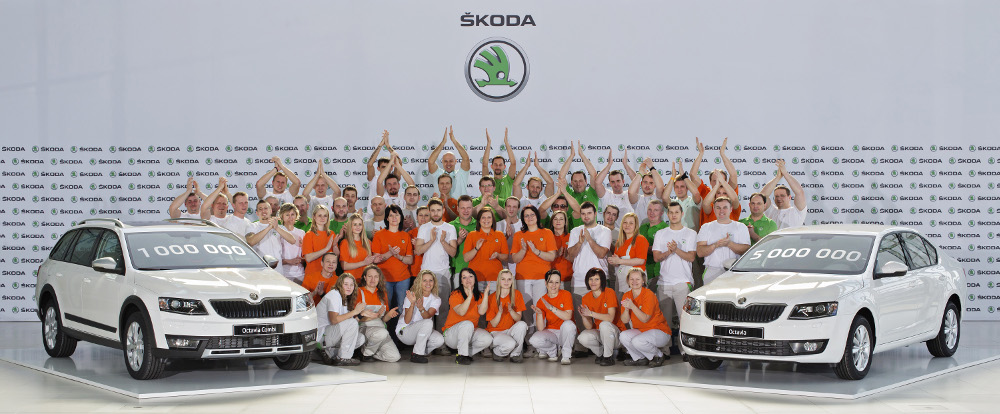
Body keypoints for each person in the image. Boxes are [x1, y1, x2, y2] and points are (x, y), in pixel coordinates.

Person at [651, 201, 698, 336]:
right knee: (663, 322)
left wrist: (676, 250)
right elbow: (656, 257)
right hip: (664, 283)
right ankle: (665, 347)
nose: (674, 215)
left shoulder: (690, 233)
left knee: (685, 321)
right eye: (671, 212)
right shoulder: (660, 233)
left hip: (683, 282)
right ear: (667, 214)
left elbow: (691, 257)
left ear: (682, 214)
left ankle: (684, 347)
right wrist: (669, 252)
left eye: (676, 212)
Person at [510, 206, 556, 334]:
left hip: (541, 278)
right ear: (523, 219)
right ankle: (528, 338)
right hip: (523, 278)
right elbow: (515, 259)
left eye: (532, 215)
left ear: (537, 216)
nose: (529, 217)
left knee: (539, 308)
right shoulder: (519, 235)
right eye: (526, 215)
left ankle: (540, 336)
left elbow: (552, 256)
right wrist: (523, 250)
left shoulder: (547, 233)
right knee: (525, 309)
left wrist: (536, 251)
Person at [414, 198, 458, 329]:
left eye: (438, 210)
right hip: (426, 272)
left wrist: (443, 241)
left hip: (443, 272)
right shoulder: (424, 228)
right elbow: (418, 250)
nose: (435, 213)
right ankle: (427, 337)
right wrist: (432, 240)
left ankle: (441, 337)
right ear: (429, 211)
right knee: (425, 307)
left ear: (443, 210)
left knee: (443, 307)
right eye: (433, 210)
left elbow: (453, 253)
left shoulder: (450, 228)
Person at [566, 201, 612, 323]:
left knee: (602, 319)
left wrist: (590, 239)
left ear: (595, 214)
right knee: (582, 320)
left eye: (589, 213)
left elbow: (601, 254)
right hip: (579, 281)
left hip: (599, 281)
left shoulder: (605, 231)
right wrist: (579, 243)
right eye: (583, 213)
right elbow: (571, 255)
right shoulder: (575, 231)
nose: (586, 216)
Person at [619, 267, 671, 367]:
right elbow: (625, 320)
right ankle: (640, 358)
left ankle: (658, 355)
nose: (634, 282)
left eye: (637, 279)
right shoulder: (626, 295)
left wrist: (632, 306)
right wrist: (626, 309)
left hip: (659, 331)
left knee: (637, 341)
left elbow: (645, 318)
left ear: (643, 281)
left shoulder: (648, 294)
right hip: (642, 331)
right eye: (631, 279)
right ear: (628, 281)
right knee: (623, 336)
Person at [442, 268, 493, 365]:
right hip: (451, 334)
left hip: (469, 332)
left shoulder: (479, 295)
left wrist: (486, 294)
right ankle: (462, 355)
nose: (468, 279)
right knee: (467, 324)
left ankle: (465, 353)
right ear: (461, 281)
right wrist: (469, 297)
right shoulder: (455, 294)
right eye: (464, 277)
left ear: (475, 279)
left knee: (488, 339)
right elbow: (461, 312)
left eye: (470, 276)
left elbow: (482, 311)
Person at [696, 197, 751, 284]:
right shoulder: (706, 227)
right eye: (718, 208)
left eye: (725, 207)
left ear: (731, 209)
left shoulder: (741, 227)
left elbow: (746, 250)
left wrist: (729, 244)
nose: (721, 211)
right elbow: (700, 252)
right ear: (714, 209)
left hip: (733, 271)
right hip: (712, 271)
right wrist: (715, 245)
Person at [371, 204, 414, 314]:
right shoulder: (379, 235)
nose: (394, 218)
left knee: (402, 307)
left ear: (401, 217)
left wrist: (399, 257)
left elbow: (410, 260)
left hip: (403, 278)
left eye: (397, 215)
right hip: (384, 278)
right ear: (387, 218)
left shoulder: (405, 236)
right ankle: (385, 325)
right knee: (385, 307)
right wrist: (390, 253)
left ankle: (401, 325)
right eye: (391, 215)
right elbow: (375, 259)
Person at [315, 273, 366, 366]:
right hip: (321, 335)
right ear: (340, 285)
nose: (349, 287)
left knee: (360, 339)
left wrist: (360, 315)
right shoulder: (334, 294)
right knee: (352, 323)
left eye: (351, 285)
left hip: (331, 334)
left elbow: (349, 326)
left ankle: (329, 353)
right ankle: (343, 358)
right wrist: (355, 312)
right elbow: (334, 320)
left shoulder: (344, 299)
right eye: (346, 284)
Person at [528, 270, 576, 365]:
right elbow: (540, 328)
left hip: (564, 332)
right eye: (551, 282)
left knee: (569, 324)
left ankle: (566, 356)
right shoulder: (541, 300)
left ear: (560, 283)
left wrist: (551, 308)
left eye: (557, 282)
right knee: (534, 340)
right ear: (546, 283)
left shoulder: (566, 294)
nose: (554, 285)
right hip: (551, 332)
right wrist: (540, 314)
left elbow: (567, 316)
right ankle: (553, 351)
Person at [396, 270, 445, 363]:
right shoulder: (411, 296)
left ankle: (420, 351)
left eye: (430, 280)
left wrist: (421, 308)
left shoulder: (436, 299)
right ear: (419, 282)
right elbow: (407, 321)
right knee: (428, 323)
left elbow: (428, 316)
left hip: (422, 331)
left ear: (434, 282)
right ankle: (417, 354)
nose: (428, 283)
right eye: (424, 280)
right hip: (405, 331)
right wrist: (412, 304)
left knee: (439, 340)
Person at [355, 265, 401, 362]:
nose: (373, 279)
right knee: (382, 333)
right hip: (364, 328)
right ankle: (365, 354)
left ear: (379, 278)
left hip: (380, 329)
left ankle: (369, 350)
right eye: (370, 276)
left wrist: (389, 315)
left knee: (394, 357)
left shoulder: (382, 293)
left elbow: (383, 319)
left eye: (376, 276)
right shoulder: (359, 292)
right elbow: (355, 318)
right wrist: (372, 317)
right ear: (365, 277)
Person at [691, 137, 742, 225]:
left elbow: (733, 175)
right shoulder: (706, 192)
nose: (718, 183)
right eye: (715, 181)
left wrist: (722, 154)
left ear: (725, 182)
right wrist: (701, 154)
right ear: (710, 182)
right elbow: (693, 175)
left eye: (721, 180)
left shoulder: (730, 194)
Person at [577, 268, 620, 366]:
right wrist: (584, 316)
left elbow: (610, 318)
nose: (593, 282)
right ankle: (601, 354)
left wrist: (591, 313)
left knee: (604, 324)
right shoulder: (586, 298)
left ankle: (608, 357)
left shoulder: (609, 292)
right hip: (601, 333)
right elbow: (588, 327)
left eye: (597, 279)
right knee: (582, 337)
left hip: (615, 334)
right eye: (591, 279)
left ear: (602, 281)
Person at [484, 269, 527, 362]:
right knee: (510, 344)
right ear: (499, 281)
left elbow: (518, 318)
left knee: (523, 325)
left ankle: (516, 354)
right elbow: (494, 324)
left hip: (510, 330)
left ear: (512, 281)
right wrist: (499, 312)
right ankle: (497, 352)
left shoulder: (517, 294)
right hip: (496, 332)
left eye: (509, 279)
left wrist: (511, 311)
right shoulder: (491, 297)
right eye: (503, 279)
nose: (506, 282)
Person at [463, 207, 509, 292]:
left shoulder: (500, 235)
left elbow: (506, 257)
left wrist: (498, 255)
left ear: (493, 220)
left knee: (495, 301)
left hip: (495, 279)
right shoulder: (471, 235)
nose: (486, 220)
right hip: (476, 279)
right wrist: (476, 248)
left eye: (489, 217)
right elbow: (466, 258)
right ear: (479, 220)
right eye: (483, 217)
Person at [245, 200, 297, 274]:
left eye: (266, 208)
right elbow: (251, 241)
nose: (263, 211)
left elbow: (293, 240)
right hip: (260, 270)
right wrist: (269, 227)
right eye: (260, 209)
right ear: (257, 213)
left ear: (271, 211)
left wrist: (276, 227)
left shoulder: (279, 227)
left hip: (278, 270)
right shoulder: (252, 226)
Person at [558, 142, 601, 225]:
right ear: (571, 182)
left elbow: (593, 175)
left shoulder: (592, 192)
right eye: (575, 181)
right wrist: (571, 156)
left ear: (586, 181)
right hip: (571, 231)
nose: (578, 184)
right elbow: (561, 177)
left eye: (581, 181)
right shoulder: (568, 193)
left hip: (591, 231)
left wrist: (582, 155)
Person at [760, 158, 808, 229]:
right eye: (776, 196)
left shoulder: (797, 212)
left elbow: (799, 192)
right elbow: (762, 196)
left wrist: (785, 174)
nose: (779, 198)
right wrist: (777, 177)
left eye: (782, 196)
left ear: (789, 197)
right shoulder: (772, 211)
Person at [608, 212, 649, 293]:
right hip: (621, 278)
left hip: (635, 280)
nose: (627, 225)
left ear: (635, 225)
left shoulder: (640, 239)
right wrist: (614, 262)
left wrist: (619, 261)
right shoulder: (619, 242)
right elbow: (618, 263)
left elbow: (641, 260)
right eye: (625, 222)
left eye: (631, 223)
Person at [428, 125, 472, 200]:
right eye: (445, 161)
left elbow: (466, 159)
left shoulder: (461, 174)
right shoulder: (438, 174)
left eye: (451, 161)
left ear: (456, 161)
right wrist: (443, 143)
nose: (448, 164)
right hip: (440, 206)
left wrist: (454, 140)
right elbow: (430, 162)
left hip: (459, 207)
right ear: (442, 162)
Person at [593, 150, 634, 226]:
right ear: (610, 183)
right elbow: (597, 182)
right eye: (613, 182)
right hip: (609, 232)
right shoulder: (606, 195)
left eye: (618, 181)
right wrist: (609, 165)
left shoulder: (629, 194)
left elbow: (636, 180)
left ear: (623, 181)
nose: (616, 184)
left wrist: (625, 164)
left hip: (628, 231)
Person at [481, 127, 518, 205]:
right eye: (495, 164)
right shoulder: (488, 181)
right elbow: (484, 165)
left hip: (505, 211)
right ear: (492, 166)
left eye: (500, 165)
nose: (498, 167)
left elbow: (513, 163)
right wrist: (489, 143)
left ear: (504, 167)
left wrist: (506, 143)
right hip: (490, 211)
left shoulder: (508, 179)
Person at [662, 161, 701, 231]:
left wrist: (683, 175)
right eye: (677, 187)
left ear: (687, 188)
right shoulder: (672, 203)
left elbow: (696, 193)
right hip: (674, 236)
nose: (679, 189)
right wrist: (672, 177)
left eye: (682, 186)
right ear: (674, 189)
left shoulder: (692, 201)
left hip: (691, 236)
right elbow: (664, 198)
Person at [301, 205, 339, 278]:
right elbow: (308, 258)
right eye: (319, 215)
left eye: (325, 216)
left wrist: (334, 246)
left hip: (329, 275)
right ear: (314, 217)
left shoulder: (332, 234)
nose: (322, 218)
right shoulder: (309, 235)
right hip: (313, 275)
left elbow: (336, 256)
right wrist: (326, 249)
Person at [637, 200, 668, 280]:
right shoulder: (642, 227)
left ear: (661, 213)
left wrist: (643, 248)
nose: (652, 213)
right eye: (650, 210)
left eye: (656, 210)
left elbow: (661, 251)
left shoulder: (666, 229)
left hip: (658, 272)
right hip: (641, 271)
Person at [337, 213, 374, 280]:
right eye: (355, 224)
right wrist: (363, 263)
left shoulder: (368, 242)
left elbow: (370, 262)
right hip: (351, 281)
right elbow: (344, 266)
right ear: (350, 226)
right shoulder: (345, 243)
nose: (358, 227)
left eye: (360, 224)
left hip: (365, 280)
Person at [450, 195, 478, 284]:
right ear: (457, 209)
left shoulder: (480, 225)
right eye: (463, 208)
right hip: (458, 270)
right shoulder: (450, 226)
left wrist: (470, 237)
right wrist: (460, 239)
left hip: (477, 270)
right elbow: (447, 250)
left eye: (468, 208)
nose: (466, 211)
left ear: (472, 208)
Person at [277, 203, 306, 283]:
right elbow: (274, 256)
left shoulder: (301, 232)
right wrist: (288, 261)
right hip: (283, 274)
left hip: (300, 274)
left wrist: (302, 260)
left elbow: (305, 254)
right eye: (287, 215)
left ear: (296, 216)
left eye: (292, 214)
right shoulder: (277, 232)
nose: (290, 217)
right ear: (282, 216)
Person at [548, 210, 573, 286]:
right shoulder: (547, 237)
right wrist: (555, 255)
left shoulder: (571, 237)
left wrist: (568, 257)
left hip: (568, 278)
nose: (558, 221)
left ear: (565, 222)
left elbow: (577, 259)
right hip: (550, 278)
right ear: (552, 222)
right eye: (555, 219)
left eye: (561, 219)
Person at [408, 206, 430, 281]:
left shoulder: (433, 233)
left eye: (426, 215)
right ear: (417, 217)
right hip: (413, 272)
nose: (423, 218)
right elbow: (406, 254)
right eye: (420, 215)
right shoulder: (410, 234)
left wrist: (420, 246)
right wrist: (417, 249)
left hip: (429, 271)